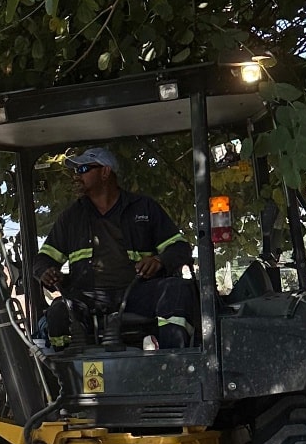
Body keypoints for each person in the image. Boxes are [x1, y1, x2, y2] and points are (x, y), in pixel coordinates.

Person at [35, 147, 196, 349]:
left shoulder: (144, 208)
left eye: (83, 169)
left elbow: (180, 248)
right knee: (58, 312)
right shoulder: (71, 217)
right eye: (75, 171)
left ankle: (172, 360)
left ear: (105, 172)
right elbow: (43, 259)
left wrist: (158, 260)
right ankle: (64, 367)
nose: (77, 176)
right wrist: (46, 272)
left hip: (137, 293)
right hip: (87, 298)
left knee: (177, 289)